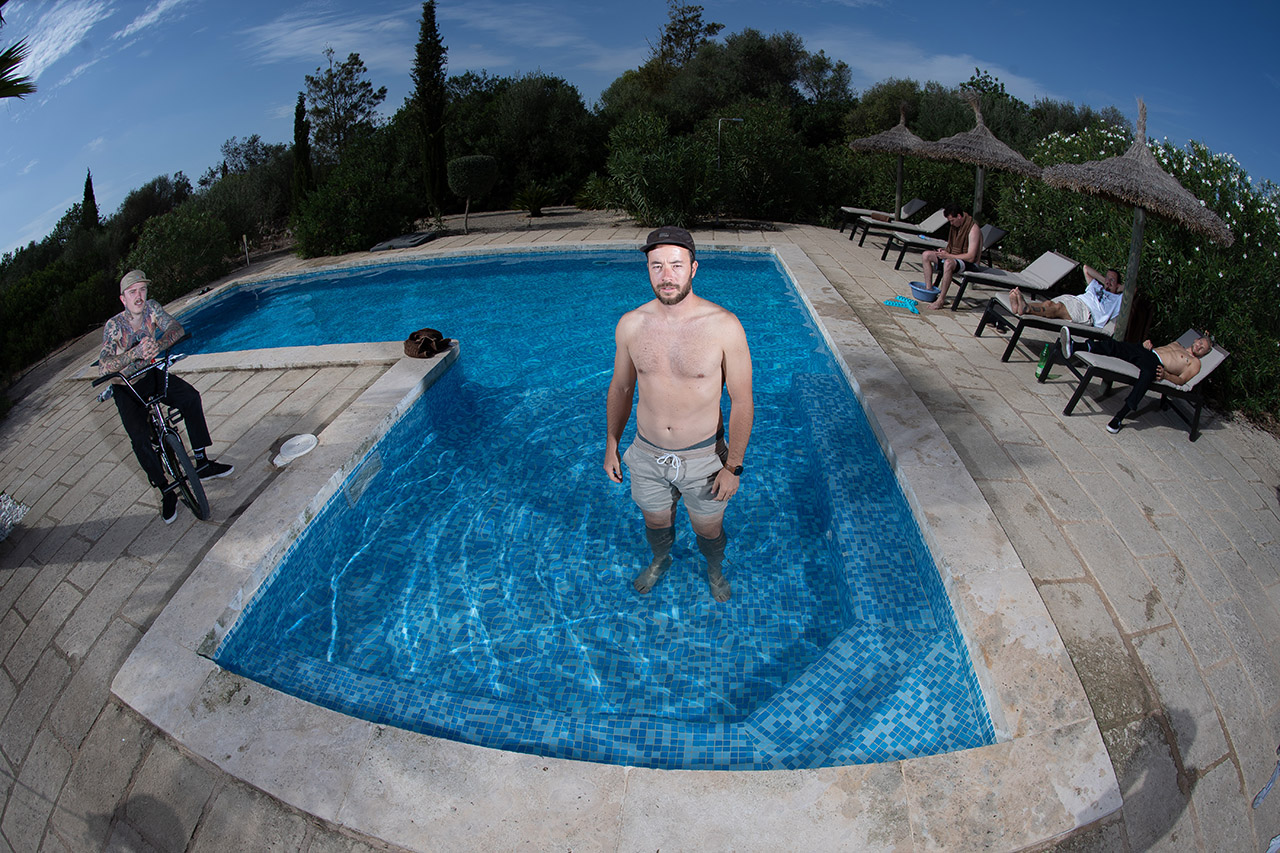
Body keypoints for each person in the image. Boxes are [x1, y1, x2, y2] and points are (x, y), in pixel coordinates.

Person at [604, 227, 754, 602]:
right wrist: (611, 444)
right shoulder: (631, 324)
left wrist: (732, 466)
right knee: (655, 521)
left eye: (675, 265)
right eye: (657, 266)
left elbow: (742, 401)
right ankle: (661, 559)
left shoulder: (724, 326)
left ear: (693, 268)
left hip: (704, 458)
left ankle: (715, 568)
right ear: (648, 270)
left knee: (707, 529)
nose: (666, 276)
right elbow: (622, 388)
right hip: (646, 453)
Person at [99, 270, 233, 523]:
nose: (138, 296)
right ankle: (165, 489)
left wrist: (158, 346)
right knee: (139, 439)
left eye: (142, 290)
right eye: (132, 292)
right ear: (123, 299)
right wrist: (135, 353)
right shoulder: (115, 326)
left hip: (150, 374)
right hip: (126, 386)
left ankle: (202, 463)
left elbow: (175, 327)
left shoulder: (151, 309)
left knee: (190, 397)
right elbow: (104, 366)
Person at [1058, 326, 1211, 433]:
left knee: (1143, 382)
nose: (1199, 347)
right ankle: (1075, 346)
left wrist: (1166, 376)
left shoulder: (1195, 363)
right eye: (1200, 342)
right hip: (1146, 353)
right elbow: (1161, 351)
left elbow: (1182, 380)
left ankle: (1119, 417)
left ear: (1205, 353)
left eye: (1203, 348)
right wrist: (1146, 345)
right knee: (1116, 346)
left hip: (1156, 366)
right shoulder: (1178, 344)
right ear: (1196, 339)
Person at [1009, 263, 1123, 328]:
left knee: (1055, 308)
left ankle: (1026, 308)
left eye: (1112, 279)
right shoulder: (1097, 286)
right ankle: (1023, 306)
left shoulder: (1118, 299)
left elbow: (1133, 290)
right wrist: (1105, 281)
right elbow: (1086, 268)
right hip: (1074, 300)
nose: (1108, 281)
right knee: (1049, 304)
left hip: (1087, 312)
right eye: (1107, 278)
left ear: (1118, 284)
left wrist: (1116, 288)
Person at [923, 204, 982, 310]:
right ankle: (929, 291)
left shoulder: (973, 230)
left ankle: (941, 300)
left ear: (959, 216)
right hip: (956, 257)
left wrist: (948, 255)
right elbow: (952, 247)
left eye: (952, 220)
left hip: (970, 264)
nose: (951, 224)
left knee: (948, 263)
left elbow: (971, 257)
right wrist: (945, 252)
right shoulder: (955, 227)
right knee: (926, 255)